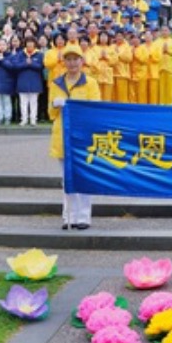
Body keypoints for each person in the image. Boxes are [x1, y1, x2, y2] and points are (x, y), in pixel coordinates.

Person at [47, 46, 101, 230]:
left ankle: (84, 216)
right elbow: (50, 113)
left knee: (84, 176)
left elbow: (95, 109)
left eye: (75, 59)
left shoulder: (90, 83)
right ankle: (68, 215)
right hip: (62, 134)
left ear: (81, 61)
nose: (72, 63)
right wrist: (56, 104)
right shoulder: (56, 83)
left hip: (82, 134)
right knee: (66, 178)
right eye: (68, 59)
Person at [13, 36, 44, 126]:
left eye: (31, 42)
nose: (30, 44)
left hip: (35, 82)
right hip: (22, 81)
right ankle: (24, 119)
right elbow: (16, 66)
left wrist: (32, 63)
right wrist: (25, 63)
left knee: (34, 102)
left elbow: (40, 67)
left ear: (35, 44)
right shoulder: (20, 54)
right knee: (23, 102)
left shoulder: (39, 54)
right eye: (28, 42)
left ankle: (33, 119)